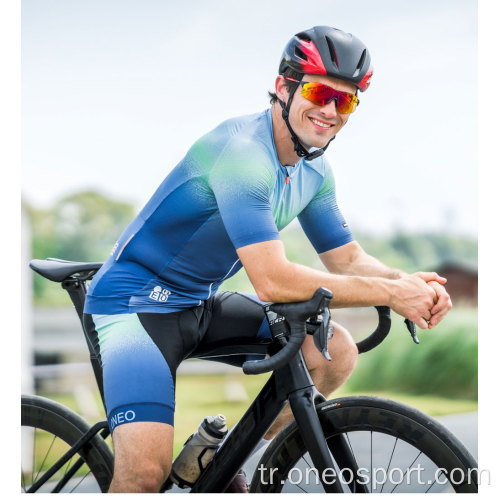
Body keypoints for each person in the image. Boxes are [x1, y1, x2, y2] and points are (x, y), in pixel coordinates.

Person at [83, 25, 452, 493]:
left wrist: (407, 281)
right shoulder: (243, 155)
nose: (329, 110)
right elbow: (272, 281)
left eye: (345, 101)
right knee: (144, 478)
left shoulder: (315, 169)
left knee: (334, 352)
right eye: (318, 93)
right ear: (283, 86)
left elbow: (347, 258)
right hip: (134, 307)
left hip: (197, 302)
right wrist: (392, 294)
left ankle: (222, 459)